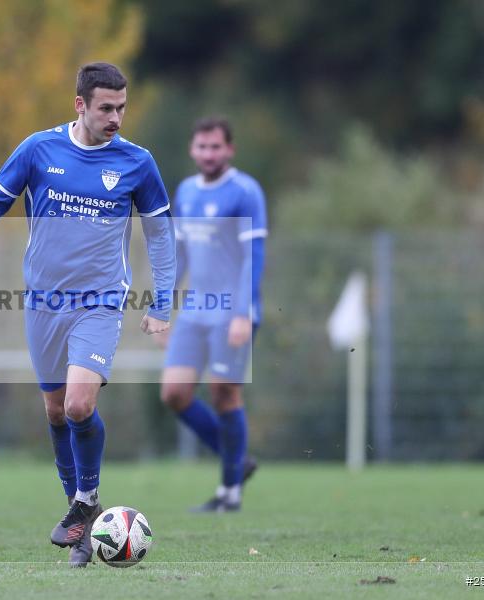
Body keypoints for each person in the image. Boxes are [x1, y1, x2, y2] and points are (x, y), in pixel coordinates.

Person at [0, 63, 175, 566]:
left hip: (100, 302)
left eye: (121, 107)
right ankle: (82, 518)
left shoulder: (137, 162)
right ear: (80, 105)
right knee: (53, 411)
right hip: (43, 302)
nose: (116, 117)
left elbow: (161, 235)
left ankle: (86, 504)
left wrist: (161, 300)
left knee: (78, 407)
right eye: (106, 108)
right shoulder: (39, 149)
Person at [156, 117, 267, 512]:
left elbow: (253, 256)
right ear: (192, 149)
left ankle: (229, 493)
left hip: (231, 311)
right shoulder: (185, 191)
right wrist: (161, 306)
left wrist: (242, 313)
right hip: (194, 310)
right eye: (201, 147)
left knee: (224, 393)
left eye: (215, 147)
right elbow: (180, 253)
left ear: (229, 149)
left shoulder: (244, 192)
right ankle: (237, 460)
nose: (208, 154)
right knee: (174, 392)